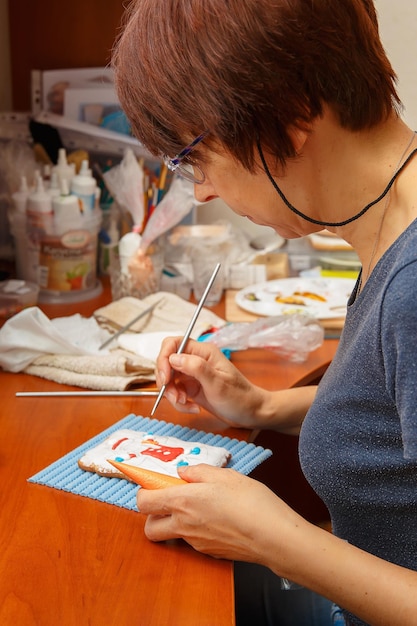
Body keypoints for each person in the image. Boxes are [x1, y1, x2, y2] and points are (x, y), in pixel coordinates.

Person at [112, 1, 417, 624]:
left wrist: (275, 541)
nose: (201, 190)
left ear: (290, 115)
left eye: (194, 157)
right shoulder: (391, 222)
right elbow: (394, 404)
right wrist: (262, 408)